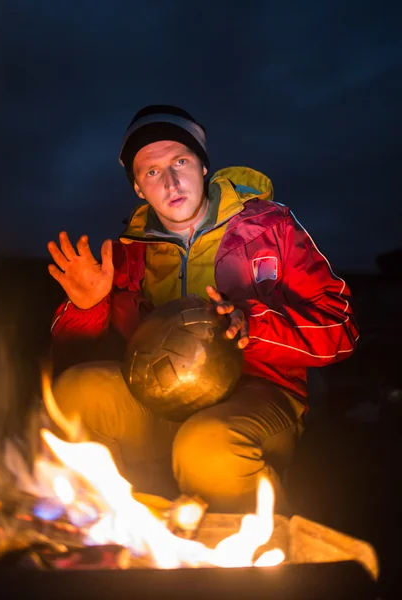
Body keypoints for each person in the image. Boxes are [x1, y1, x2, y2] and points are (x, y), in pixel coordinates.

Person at [47, 105, 359, 513]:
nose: (171, 181)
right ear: (138, 188)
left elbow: (341, 328)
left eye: (180, 161)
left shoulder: (271, 228)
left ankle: (259, 563)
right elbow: (71, 356)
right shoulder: (128, 253)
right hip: (159, 399)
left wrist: (252, 327)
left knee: (208, 447)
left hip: (260, 391)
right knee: (77, 392)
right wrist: (85, 308)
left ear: (203, 165)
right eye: (152, 172)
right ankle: (107, 541)